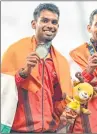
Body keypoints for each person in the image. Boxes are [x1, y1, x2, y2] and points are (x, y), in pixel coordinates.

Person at [1, 3, 72, 133]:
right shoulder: (15, 51)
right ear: (34, 24)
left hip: (49, 130)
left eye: (54, 22)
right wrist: (24, 72)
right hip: (19, 130)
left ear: (58, 26)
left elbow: (59, 100)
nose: (50, 25)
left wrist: (65, 111)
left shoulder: (61, 61)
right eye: (45, 20)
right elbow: (4, 90)